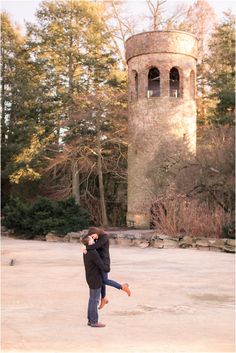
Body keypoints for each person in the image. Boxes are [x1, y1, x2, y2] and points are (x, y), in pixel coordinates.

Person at [85, 227, 131, 310]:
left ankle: (122, 287)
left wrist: (86, 248)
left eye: (93, 236)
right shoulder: (95, 236)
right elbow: (86, 240)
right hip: (97, 261)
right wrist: (87, 244)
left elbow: (96, 246)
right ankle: (103, 298)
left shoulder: (104, 237)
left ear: (97, 233)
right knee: (100, 280)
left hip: (104, 262)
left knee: (103, 280)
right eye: (91, 237)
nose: (92, 238)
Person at [82, 234, 109, 328]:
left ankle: (90, 320)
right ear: (89, 242)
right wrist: (107, 268)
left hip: (90, 278)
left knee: (92, 300)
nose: (92, 239)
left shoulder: (86, 251)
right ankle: (94, 321)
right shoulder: (92, 252)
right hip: (95, 279)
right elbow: (101, 265)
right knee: (94, 300)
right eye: (91, 238)